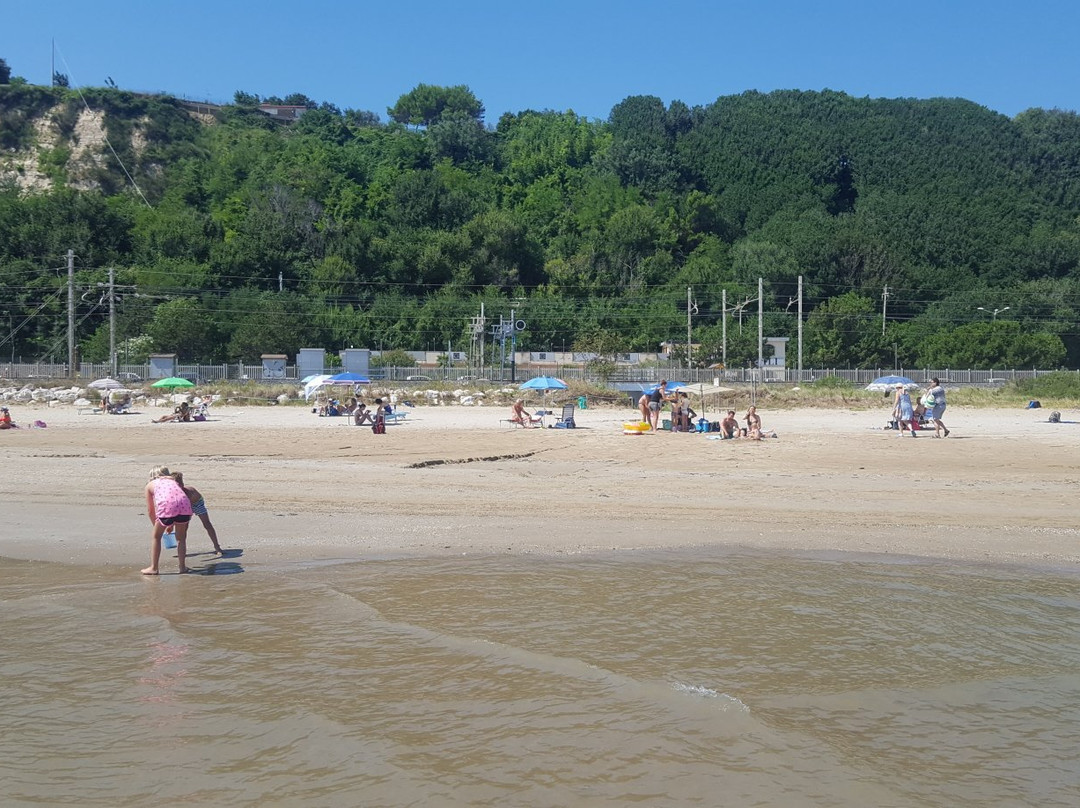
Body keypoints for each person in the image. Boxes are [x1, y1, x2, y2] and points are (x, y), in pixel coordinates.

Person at [143, 466, 193, 575]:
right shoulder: (173, 481)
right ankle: (182, 567)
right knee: (181, 538)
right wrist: (169, 524)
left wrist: (156, 525)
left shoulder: (150, 485)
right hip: (185, 506)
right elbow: (176, 497)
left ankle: (154, 568)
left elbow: (150, 510)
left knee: (156, 537)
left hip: (168, 508)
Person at [171, 471, 223, 554]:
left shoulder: (187, 493)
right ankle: (182, 550)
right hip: (185, 506)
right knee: (184, 527)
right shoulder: (173, 493)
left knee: (207, 523)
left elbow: (184, 509)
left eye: (179, 485)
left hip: (197, 503)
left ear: (182, 484)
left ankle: (217, 547)